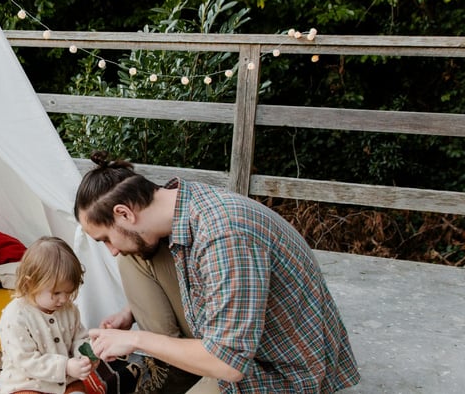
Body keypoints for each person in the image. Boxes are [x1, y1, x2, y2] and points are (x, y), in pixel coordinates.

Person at [74, 151, 360, 394]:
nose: (111, 250)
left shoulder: (224, 235)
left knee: (132, 250)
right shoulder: (182, 203)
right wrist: (131, 312)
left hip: (277, 374)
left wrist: (137, 340)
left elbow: (230, 363)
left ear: (124, 213)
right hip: (240, 346)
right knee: (133, 254)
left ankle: (181, 366)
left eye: (106, 238)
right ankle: (175, 364)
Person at [0, 236, 94, 394]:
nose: (64, 299)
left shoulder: (69, 309)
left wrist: (84, 356)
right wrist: (65, 366)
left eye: (68, 292)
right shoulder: (15, 316)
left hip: (65, 382)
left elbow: (79, 338)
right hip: (26, 384)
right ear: (30, 284)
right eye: (56, 293)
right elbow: (24, 360)